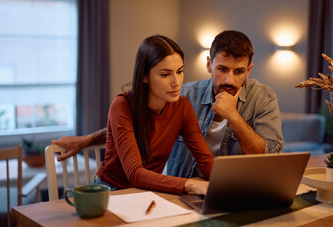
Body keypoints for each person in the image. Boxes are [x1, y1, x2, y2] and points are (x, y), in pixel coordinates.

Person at [52, 30, 283, 179]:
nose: (228, 80)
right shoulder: (183, 95)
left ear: (249, 70)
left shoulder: (263, 98)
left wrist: (234, 116)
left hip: (222, 187)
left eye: (238, 71)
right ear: (209, 65)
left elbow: (272, 157)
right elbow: (135, 123)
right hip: (175, 185)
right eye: (222, 69)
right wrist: (87, 140)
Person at [73, 34, 213, 195]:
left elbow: (205, 161)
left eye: (180, 71)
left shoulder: (182, 107)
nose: (176, 82)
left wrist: (232, 183)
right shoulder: (122, 105)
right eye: (165, 74)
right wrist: (191, 184)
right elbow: (135, 174)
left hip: (148, 192)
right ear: (145, 76)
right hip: (111, 192)